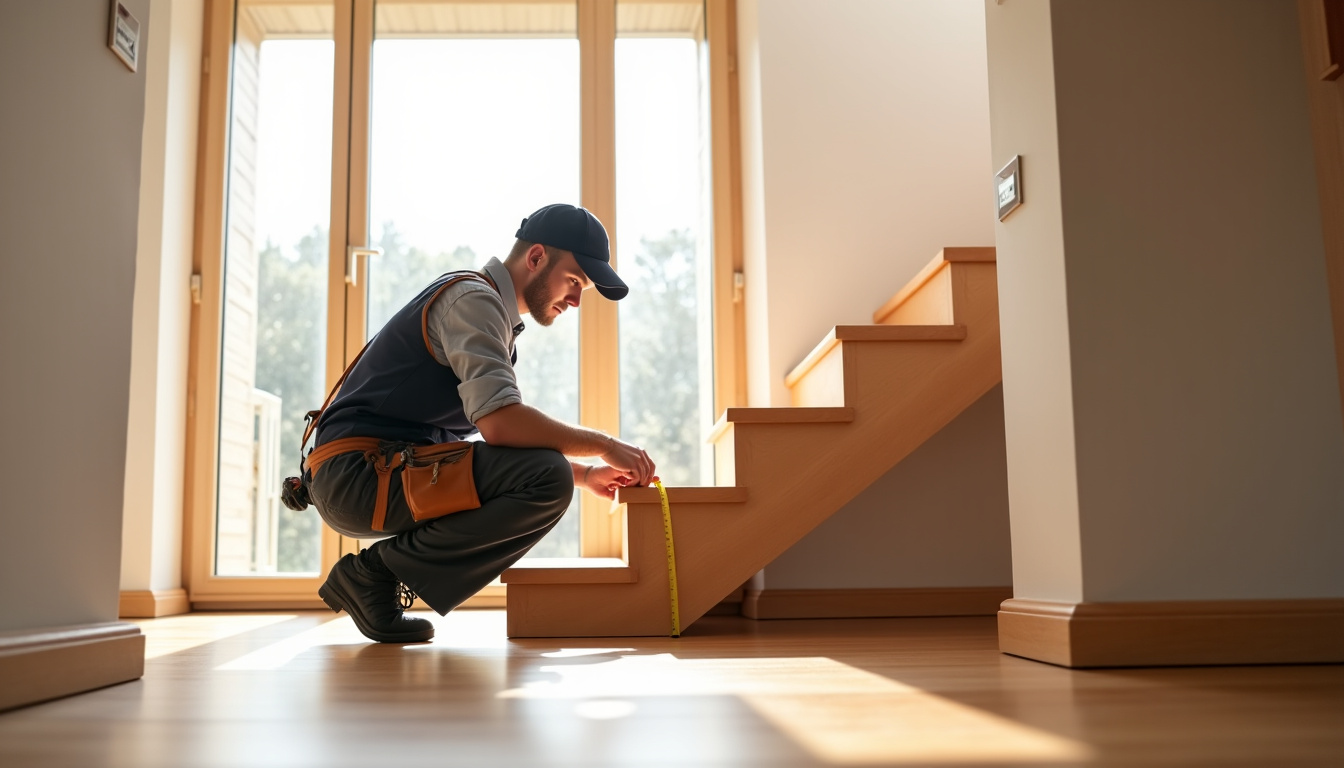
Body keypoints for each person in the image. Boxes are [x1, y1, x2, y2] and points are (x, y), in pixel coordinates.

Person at [301, 203, 656, 643]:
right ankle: (374, 573)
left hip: (372, 471)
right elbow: (502, 426)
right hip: (356, 475)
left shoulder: (490, 313)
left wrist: (584, 475)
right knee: (545, 475)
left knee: (548, 471)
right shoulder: (473, 302)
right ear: (537, 257)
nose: (577, 300)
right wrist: (604, 444)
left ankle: (376, 576)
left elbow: (498, 446)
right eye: (574, 281)